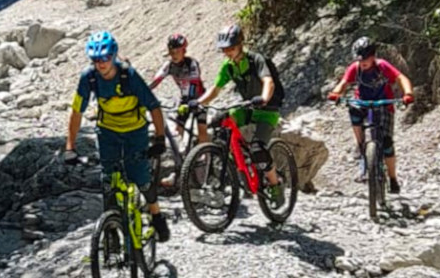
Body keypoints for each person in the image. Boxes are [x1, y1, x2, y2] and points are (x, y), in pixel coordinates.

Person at [63, 31, 172, 242]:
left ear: (113, 56)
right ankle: (111, 230)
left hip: (135, 130)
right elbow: (77, 111)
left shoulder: (128, 75)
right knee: (107, 181)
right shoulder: (89, 77)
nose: (101, 64)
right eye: (96, 60)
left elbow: (154, 107)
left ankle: (157, 215)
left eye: (104, 58)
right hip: (108, 131)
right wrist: (69, 147)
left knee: (141, 177)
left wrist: (160, 139)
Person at [190, 24, 286, 202]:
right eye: (224, 49)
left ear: (240, 44)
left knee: (258, 149)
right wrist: (198, 102)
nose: (227, 52)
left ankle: (275, 184)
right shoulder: (228, 66)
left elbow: (268, 81)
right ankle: (238, 167)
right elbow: (216, 88)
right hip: (247, 107)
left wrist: (264, 98)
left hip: (266, 110)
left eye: (231, 48)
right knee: (220, 123)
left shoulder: (255, 59)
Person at [327, 37, 415, 193]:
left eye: (366, 58)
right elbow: (344, 83)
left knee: (387, 143)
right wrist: (335, 93)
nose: (362, 62)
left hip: (383, 103)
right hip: (363, 102)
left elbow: (401, 78)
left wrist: (407, 93)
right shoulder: (355, 68)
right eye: (360, 59)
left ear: (373, 55)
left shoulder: (382, 66)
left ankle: (393, 178)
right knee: (353, 108)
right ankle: (361, 145)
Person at [150, 34, 210, 144]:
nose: (174, 55)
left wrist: (191, 101)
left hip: (200, 98)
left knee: (202, 131)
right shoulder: (169, 65)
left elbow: (194, 83)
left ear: (184, 51)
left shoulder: (192, 63)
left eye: (177, 52)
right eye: (171, 52)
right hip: (185, 99)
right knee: (179, 128)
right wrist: (144, 91)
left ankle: (206, 157)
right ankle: (188, 155)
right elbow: (156, 80)